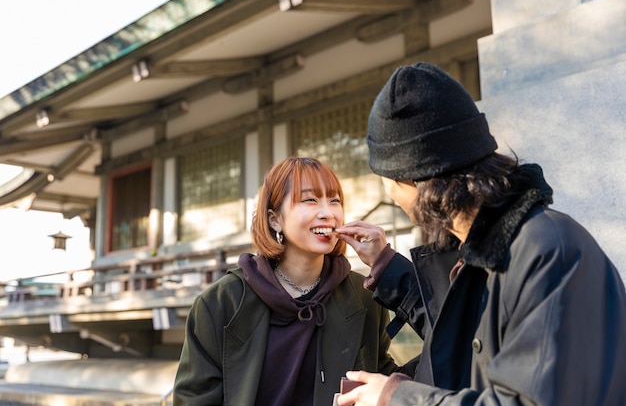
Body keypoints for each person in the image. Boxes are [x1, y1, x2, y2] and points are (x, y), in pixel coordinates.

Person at [334, 62, 626, 406]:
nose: (389, 194)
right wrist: (385, 264)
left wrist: (396, 398)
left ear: (411, 177)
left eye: (384, 176)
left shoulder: (548, 253)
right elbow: (460, 341)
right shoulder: (485, 249)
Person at [173, 156, 403, 406]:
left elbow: (385, 377)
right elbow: (194, 398)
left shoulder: (363, 297)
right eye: (310, 200)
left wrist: (388, 265)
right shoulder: (220, 303)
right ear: (275, 219)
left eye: (334, 200)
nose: (328, 213)